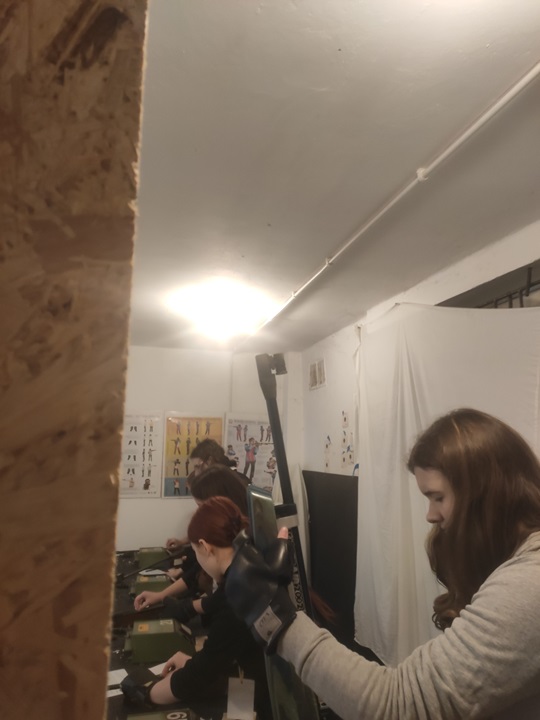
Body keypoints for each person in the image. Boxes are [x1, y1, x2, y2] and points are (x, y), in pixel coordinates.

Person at [225, 408, 540, 719]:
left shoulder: (528, 585)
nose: (431, 515)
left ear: (485, 493)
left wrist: (277, 621)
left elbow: (399, 706)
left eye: (438, 498)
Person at [125, 497, 272, 720]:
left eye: (195, 551)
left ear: (204, 546)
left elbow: (201, 674)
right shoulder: (246, 575)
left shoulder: (237, 595)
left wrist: (147, 693)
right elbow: (219, 655)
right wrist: (194, 662)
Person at [135, 465, 249, 620]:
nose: (198, 513)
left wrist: (188, 608)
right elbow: (196, 571)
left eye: (202, 506)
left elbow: (227, 594)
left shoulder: (245, 548)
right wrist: (161, 595)